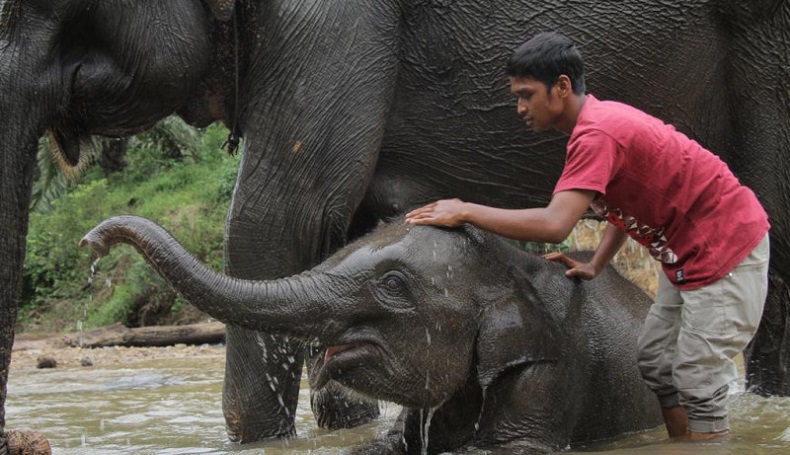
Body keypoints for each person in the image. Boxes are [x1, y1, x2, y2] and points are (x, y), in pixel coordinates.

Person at [404, 31, 770, 441]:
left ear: (561, 87)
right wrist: (597, 262)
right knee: (655, 361)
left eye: (526, 94)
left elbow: (555, 224)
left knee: (696, 374)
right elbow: (629, 200)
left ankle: (707, 446)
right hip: (682, 254)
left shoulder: (597, 133)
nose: (520, 108)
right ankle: (683, 443)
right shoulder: (594, 129)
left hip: (725, 248)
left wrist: (466, 210)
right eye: (516, 97)